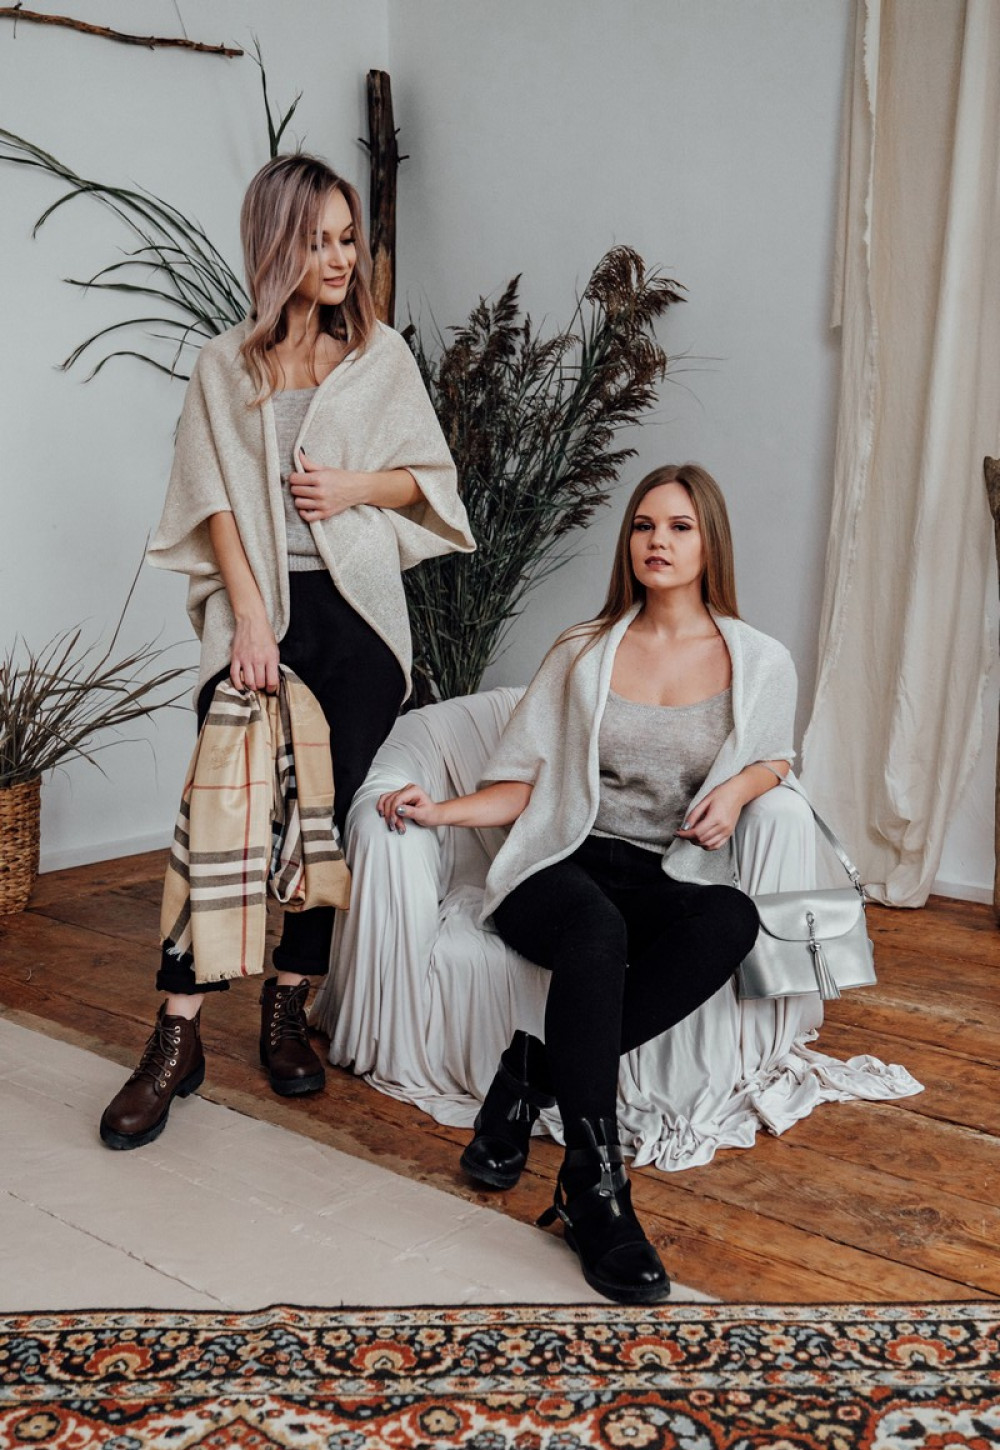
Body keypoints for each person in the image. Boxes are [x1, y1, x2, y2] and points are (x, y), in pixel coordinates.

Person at [100, 153, 474, 1151]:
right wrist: (250, 619)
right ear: (277, 246)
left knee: (328, 827)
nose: (342, 258)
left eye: (348, 239)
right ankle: (176, 1033)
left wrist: (355, 487)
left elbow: (428, 482)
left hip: (358, 620)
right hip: (262, 611)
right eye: (319, 241)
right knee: (223, 808)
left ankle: (287, 1003)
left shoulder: (379, 358)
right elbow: (212, 500)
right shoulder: (224, 365)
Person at [376, 463, 797, 1304]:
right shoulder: (582, 651)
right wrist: (440, 812)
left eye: (678, 526)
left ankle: (530, 1072)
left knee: (730, 918)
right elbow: (522, 782)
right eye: (644, 526)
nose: (657, 542)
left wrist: (739, 790)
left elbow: (777, 757)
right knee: (595, 930)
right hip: (556, 866)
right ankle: (594, 1186)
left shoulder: (759, 661)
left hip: (659, 872)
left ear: (710, 542)